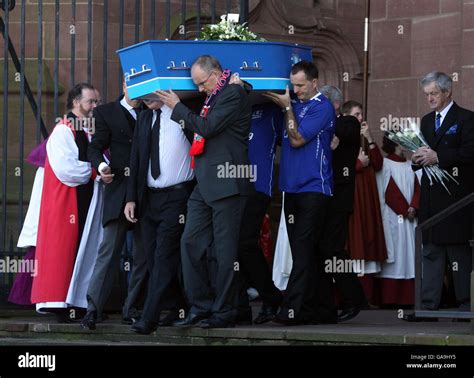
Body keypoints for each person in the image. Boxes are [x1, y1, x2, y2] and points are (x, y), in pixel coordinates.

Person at [156, 55, 252, 328]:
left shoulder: (232, 92)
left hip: (228, 183)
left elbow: (207, 128)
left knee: (224, 254)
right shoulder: (215, 95)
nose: (199, 90)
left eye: (201, 83)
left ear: (215, 75)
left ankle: (225, 312)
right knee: (190, 243)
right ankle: (201, 306)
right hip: (206, 183)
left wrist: (177, 106)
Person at [264, 61, 336, 325]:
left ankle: (291, 310)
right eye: (293, 85)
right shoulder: (293, 105)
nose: (295, 90)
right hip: (290, 188)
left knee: (303, 251)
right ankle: (324, 309)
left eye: (301, 85)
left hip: (315, 188)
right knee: (308, 251)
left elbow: (296, 140)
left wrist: (285, 107)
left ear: (315, 82)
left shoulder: (323, 106)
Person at [403, 71, 474, 321]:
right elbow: (422, 151)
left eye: (434, 93)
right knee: (431, 251)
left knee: (458, 254)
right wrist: (418, 158)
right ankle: (427, 307)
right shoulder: (425, 120)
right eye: (427, 94)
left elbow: (470, 153)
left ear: (447, 92)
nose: (430, 98)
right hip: (431, 198)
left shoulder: (467, 119)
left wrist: (439, 157)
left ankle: (466, 306)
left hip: (456, 199)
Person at [123, 98, 195, 335]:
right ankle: (178, 305)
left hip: (177, 196)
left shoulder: (182, 113)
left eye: (152, 91)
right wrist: (131, 198)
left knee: (164, 255)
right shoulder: (144, 118)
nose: (147, 98)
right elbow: (135, 158)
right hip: (149, 199)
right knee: (155, 260)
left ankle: (149, 317)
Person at [81, 82, 148, 330]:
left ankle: (131, 309)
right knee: (108, 252)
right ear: (124, 85)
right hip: (119, 188)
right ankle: (92, 310)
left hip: (147, 190)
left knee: (143, 255)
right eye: (135, 86)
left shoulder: (151, 110)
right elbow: (95, 146)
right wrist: (101, 168)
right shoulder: (106, 112)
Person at [30, 83, 101, 319]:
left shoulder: (87, 128)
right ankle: (59, 303)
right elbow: (67, 169)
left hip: (82, 198)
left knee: (80, 248)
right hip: (65, 200)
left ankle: (76, 302)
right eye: (91, 101)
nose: (95, 106)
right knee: (65, 249)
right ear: (75, 103)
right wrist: (95, 171)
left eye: (96, 102)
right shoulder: (63, 130)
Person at [318, 85, 367, 322]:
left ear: (334, 104)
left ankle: (353, 297)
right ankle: (327, 302)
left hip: (339, 196)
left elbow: (348, 131)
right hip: (321, 195)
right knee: (322, 249)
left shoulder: (348, 122)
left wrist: (326, 123)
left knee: (334, 249)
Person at [236, 102, 284, 324]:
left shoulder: (273, 110)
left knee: (244, 243)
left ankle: (271, 296)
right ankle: (241, 306)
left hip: (258, 186)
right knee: (231, 247)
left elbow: (293, 139)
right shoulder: (232, 105)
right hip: (230, 186)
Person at [342, 100, 387, 304]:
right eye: (357, 114)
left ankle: (368, 296)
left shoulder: (363, 138)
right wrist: (359, 164)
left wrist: (369, 139)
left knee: (368, 239)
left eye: (361, 114)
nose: (361, 118)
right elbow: (338, 167)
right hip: (352, 196)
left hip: (367, 197)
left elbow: (378, 163)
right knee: (354, 243)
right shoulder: (341, 138)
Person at [376, 136, 420, 306]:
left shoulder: (411, 164)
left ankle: (410, 299)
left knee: (409, 256)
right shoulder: (385, 164)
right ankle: (391, 299)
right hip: (394, 219)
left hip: (410, 218)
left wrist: (414, 207)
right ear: (395, 144)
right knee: (396, 256)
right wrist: (405, 209)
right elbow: (389, 190)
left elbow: (418, 187)